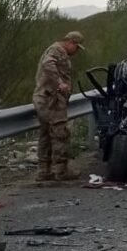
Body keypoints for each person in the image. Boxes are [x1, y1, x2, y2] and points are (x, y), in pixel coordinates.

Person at [33, 31, 86, 181]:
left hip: (45, 98)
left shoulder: (57, 50)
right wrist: (60, 83)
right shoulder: (57, 50)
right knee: (60, 133)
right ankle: (61, 170)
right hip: (52, 100)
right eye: (76, 47)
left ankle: (44, 170)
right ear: (71, 43)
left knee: (45, 134)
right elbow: (47, 64)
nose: (76, 52)